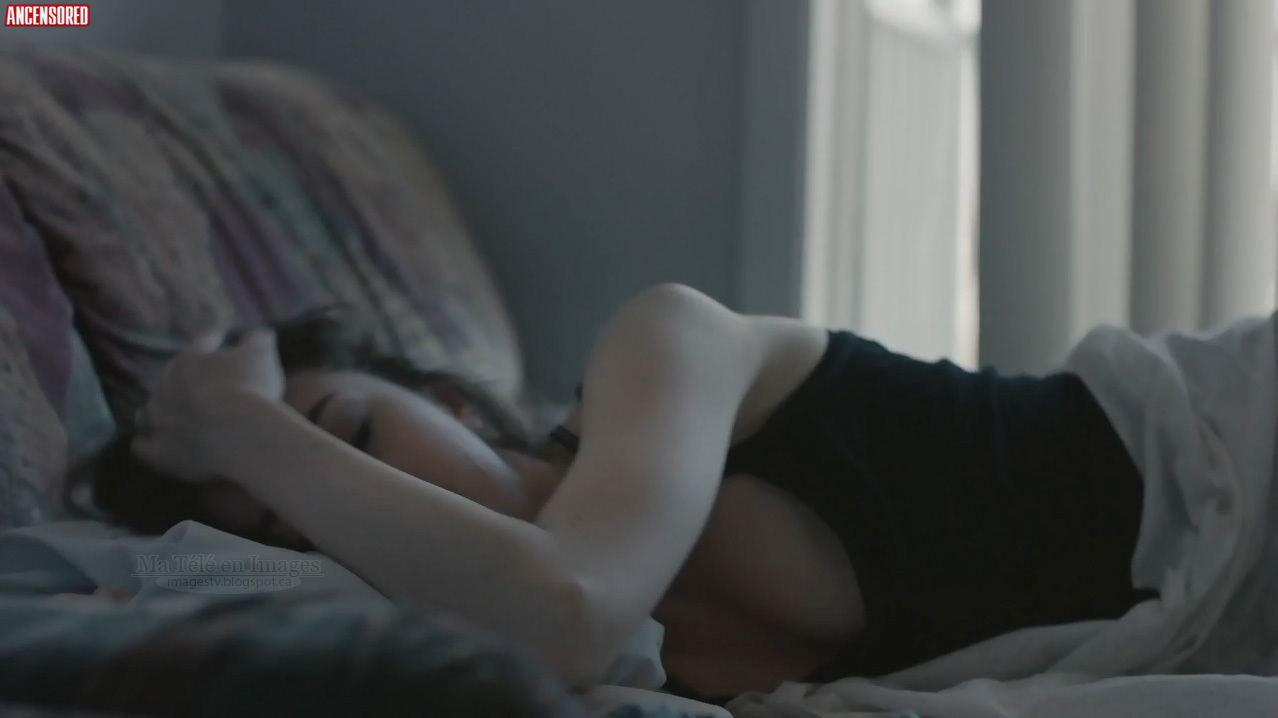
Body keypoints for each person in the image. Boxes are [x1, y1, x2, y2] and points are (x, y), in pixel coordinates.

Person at [94, 284, 1156, 706]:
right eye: (298, 516)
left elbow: (567, 608)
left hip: (1205, 459)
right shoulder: (594, 678)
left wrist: (240, 424)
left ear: (449, 401)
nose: (348, 499)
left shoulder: (662, 342)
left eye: (351, 439)